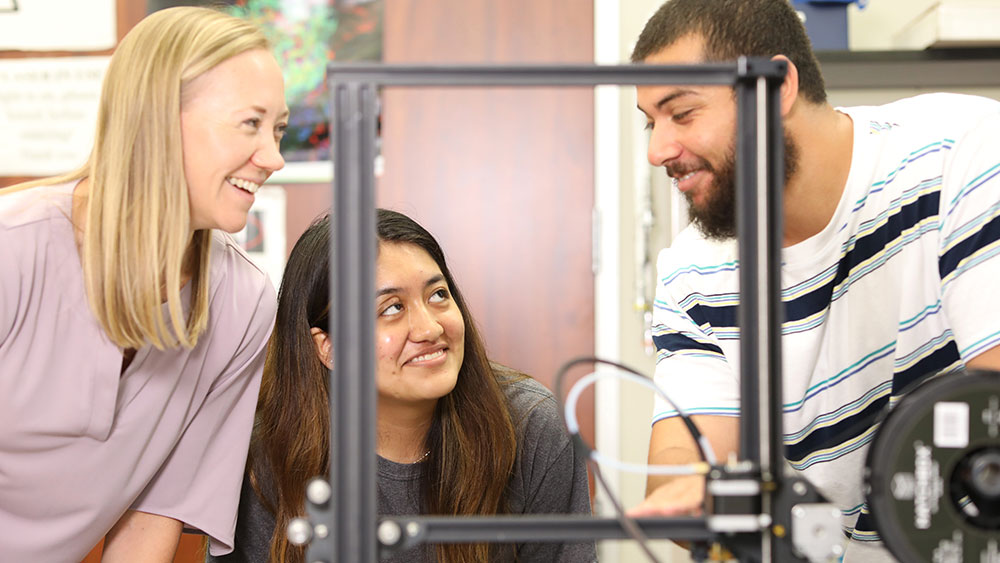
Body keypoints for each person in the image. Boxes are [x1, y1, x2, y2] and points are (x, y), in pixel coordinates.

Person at [626, 0, 1000, 560]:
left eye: (681, 113)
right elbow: (679, 482)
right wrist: (696, 491)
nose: (658, 150)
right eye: (650, 121)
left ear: (776, 89)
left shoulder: (961, 156)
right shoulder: (692, 271)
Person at [0, 6, 286, 561]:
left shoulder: (244, 305)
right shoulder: (13, 249)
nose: (273, 156)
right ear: (158, 118)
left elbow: (153, 517)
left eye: (278, 128)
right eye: (251, 123)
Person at [212, 210, 596, 563]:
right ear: (327, 348)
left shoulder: (530, 427)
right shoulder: (265, 456)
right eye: (392, 308)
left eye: (438, 295)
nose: (430, 328)